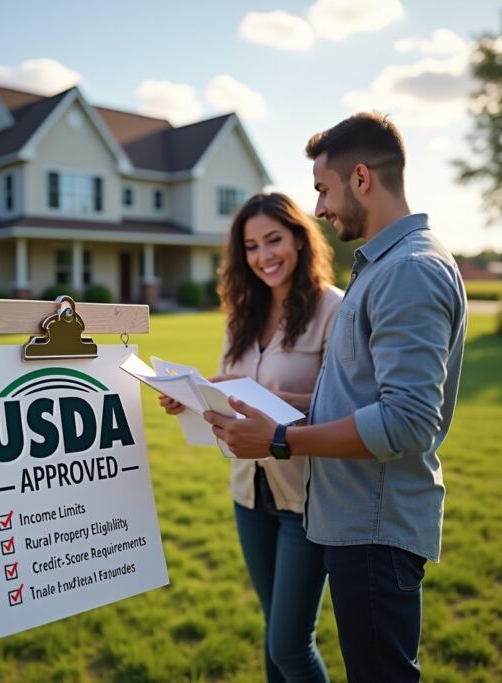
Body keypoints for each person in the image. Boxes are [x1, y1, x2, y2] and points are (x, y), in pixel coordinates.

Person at [204, 113, 468, 682]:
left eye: (323, 189)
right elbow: (346, 399)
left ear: (362, 179)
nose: (320, 208)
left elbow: (406, 423)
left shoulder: (409, 271)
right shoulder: (384, 267)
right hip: (348, 519)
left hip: (374, 528)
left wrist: (278, 439)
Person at [160, 192, 342, 682]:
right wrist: (193, 396)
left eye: (274, 240)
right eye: (251, 245)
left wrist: (267, 404)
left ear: (300, 241)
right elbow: (228, 390)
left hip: (306, 499)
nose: (264, 256)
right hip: (249, 494)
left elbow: (343, 408)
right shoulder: (242, 313)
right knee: (273, 632)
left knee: (290, 645)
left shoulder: (333, 310)